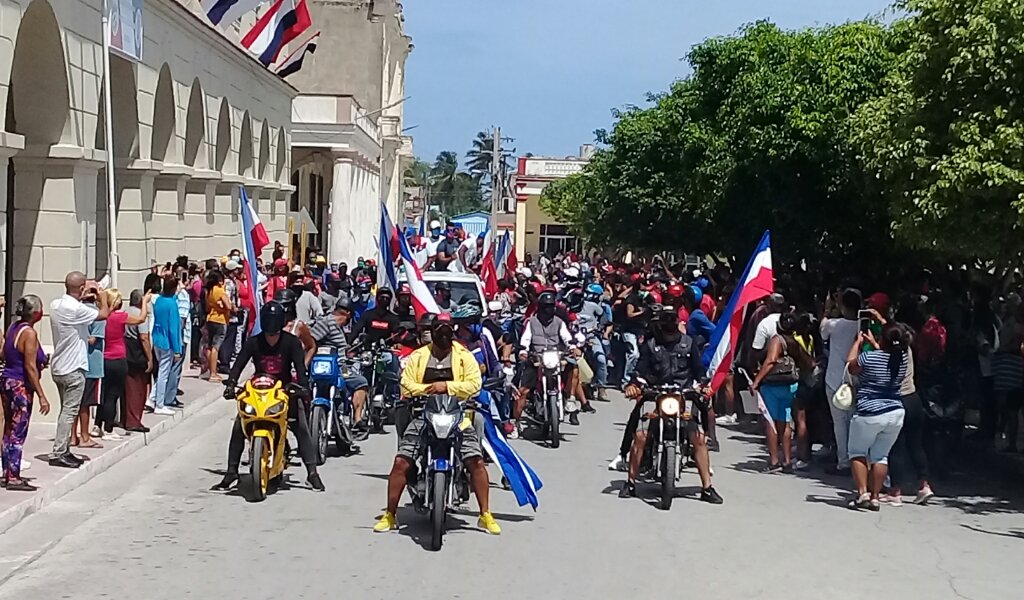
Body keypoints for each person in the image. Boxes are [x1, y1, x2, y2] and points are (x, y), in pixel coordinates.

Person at [372, 314, 500, 535]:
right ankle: (390, 515)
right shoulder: (418, 356)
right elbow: (406, 384)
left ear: (453, 330)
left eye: (447, 327)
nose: (443, 331)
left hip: (457, 416)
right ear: (431, 331)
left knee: (476, 461)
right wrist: (427, 390)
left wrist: (447, 387)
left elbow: (474, 384)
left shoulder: (464, 356)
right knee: (401, 461)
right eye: (438, 327)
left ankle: (485, 514)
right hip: (423, 415)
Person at [214, 301, 325, 493]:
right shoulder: (253, 342)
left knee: (301, 427)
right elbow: (239, 363)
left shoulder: (291, 342)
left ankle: (312, 473)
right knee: (240, 425)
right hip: (259, 390)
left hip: (284, 391)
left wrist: (303, 388)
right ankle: (231, 471)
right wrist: (231, 383)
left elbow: (300, 368)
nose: (271, 335)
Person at [617, 306, 723, 504]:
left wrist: (703, 386)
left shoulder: (689, 344)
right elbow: (640, 371)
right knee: (640, 435)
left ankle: (707, 487)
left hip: (684, 396)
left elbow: (699, 371)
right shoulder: (650, 345)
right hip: (655, 395)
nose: (669, 332)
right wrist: (634, 386)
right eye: (665, 327)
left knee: (698, 438)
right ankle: (630, 483)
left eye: (672, 326)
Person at [49, 271, 111, 468]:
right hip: (73, 368)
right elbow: (104, 314)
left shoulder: (56, 305)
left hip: (59, 365)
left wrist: (83, 293)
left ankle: (64, 448)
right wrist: (101, 295)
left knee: (65, 410)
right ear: (81, 288)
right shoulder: (77, 310)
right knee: (70, 412)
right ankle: (59, 452)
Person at [846, 323, 909, 511]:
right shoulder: (902, 358)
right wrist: (876, 344)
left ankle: (862, 493)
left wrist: (857, 343)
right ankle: (875, 496)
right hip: (895, 412)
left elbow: (851, 366)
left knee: (857, 451)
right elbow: (886, 357)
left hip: (869, 411)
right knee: (881, 455)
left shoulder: (867, 358)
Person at [750, 312, 814, 473]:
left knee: (770, 422)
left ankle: (773, 461)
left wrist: (757, 381)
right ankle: (786, 460)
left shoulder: (776, 340)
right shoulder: (794, 343)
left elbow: (771, 361)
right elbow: (809, 363)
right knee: (785, 422)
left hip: (772, 385)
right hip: (791, 385)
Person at [1, 295, 51, 490]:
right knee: (17, 431)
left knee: (8, 430)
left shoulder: (14, 327)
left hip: (6, 381)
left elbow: (5, 353)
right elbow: (30, 367)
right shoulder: (29, 334)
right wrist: (42, 395)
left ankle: (7, 472)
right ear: (37, 313)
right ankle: (13, 476)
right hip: (20, 384)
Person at [513, 291, 575, 434]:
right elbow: (526, 339)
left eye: (551, 306)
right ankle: (515, 423)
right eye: (546, 306)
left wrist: (572, 347)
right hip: (536, 359)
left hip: (555, 358)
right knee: (523, 391)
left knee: (573, 368)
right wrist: (523, 351)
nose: (548, 310)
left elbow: (566, 337)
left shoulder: (559, 322)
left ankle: (570, 400)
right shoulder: (532, 322)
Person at [309, 298, 371, 440]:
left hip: (340, 367)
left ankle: (356, 421)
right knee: (361, 382)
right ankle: (357, 419)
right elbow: (310, 340)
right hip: (325, 368)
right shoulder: (326, 323)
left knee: (360, 380)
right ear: (348, 314)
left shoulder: (337, 327)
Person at [820, 288, 862, 475]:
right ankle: (857, 459)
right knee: (854, 420)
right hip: (857, 377)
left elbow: (822, 333)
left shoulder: (834, 324)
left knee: (839, 422)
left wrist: (827, 310)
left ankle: (843, 461)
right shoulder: (863, 325)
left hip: (835, 378)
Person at [97, 289, 149, 438]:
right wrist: (144, 302)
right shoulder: (120, 317)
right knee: (113, 395)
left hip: (105, 358)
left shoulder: (102, 318)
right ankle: (109, 428)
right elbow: (141, 319)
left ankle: (98, 425)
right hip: (118, 358)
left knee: (104, 393)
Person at [152, 275, 184, 416]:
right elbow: (173, 328)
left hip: (157, 338)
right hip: (167, 342)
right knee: (164, 374)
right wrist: (177, 349)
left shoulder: (159, 300)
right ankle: (159, 403)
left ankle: (152, 397)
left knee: (161, 372)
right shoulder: (172, 305)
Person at [123, 290, 153, 433]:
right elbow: (144, 338)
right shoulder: (141, 315)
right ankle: (134, 420)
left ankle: (126, 418)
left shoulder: (125, 311)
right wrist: (149, 358)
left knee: (127, 388)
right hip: (136, 352)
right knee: (137, 389)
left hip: (125, 350)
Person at [203, 270, 234, 383]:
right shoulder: (220, 291)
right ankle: (213, 373)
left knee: (210, 346)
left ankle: (210, 369)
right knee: (216, 347)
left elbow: (207, 307)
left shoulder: (209, 291)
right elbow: (229, 306)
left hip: (210, 318)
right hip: (220, 320)